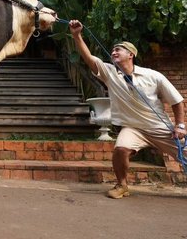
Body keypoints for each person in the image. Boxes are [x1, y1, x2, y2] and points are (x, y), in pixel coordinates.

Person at [69, 20, 186, 199]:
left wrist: (180, 126)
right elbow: (90, 59)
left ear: (130, 54)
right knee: (121, 148)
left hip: (158, 127)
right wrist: (77, 35)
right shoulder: (110, 74)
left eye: (118, 49)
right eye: (113, 50)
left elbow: (177, 101)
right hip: (132, 128)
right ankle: (122, 185)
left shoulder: (153, 76)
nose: (114, 52)